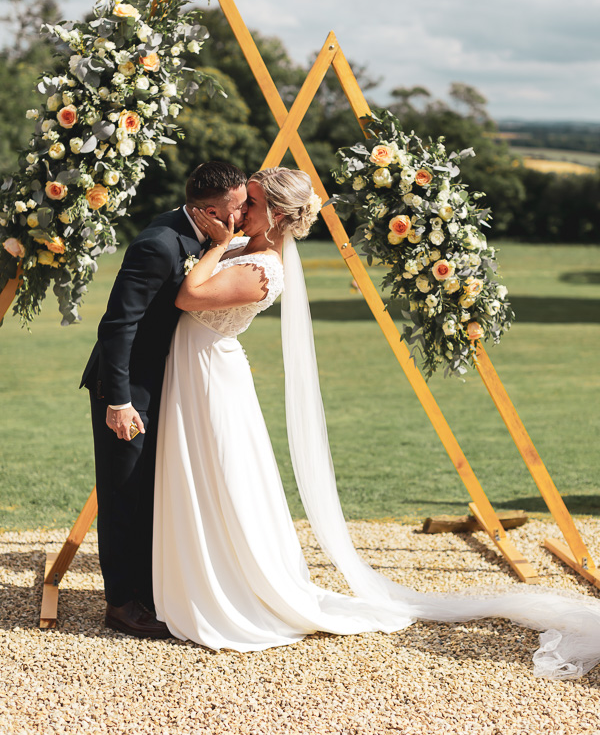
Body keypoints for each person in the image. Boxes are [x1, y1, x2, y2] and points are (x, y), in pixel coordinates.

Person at [153, 166, 600, 677]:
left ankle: (229, 587)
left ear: (275, 214)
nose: (237, 211)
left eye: (249, 203)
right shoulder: (244, 245)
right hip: (193, 368)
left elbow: (190, 296)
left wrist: (216, 244)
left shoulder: (262, 269)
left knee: (219, 477)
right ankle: (197, 574)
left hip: (212, 377)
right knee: (199, 477)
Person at [81, 160, 248, 638]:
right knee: (124, 492)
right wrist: (118, 400)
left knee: (151, 489)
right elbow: (117, 325)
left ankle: (150, 589)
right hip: (128, 390)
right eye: (238, 207)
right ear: (211, 210)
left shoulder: (202, 236)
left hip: (163, 384)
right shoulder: (158, 243)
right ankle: (121, 604)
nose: (242, 214)